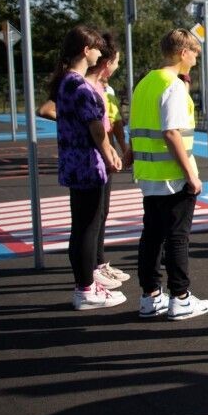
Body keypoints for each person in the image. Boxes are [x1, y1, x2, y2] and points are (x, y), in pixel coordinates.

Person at [130, 29, 208, 320]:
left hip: (148, 175)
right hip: (172, 175)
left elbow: (137, 128)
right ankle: (180, 297)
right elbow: (171, 132)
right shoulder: (173, 86)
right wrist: (191, 174)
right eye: (194, 52)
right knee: (178, 236)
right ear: (182, 53)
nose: (197, 57)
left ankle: (150, 296)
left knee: (151, 235)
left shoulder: (145, 83)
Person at [48, 25, 126, 310]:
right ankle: (86, 288)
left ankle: (85, 284)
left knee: (81, 226)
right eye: (96, 48)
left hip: (72, 161)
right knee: (88, 227)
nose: (100, 53)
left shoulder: (65, 82)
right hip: (87, 164)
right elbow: (96, 129)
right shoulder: (80, 86)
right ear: (86, 50)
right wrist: (110, 155)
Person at [84, 32, 132, 286]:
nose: (118, 66)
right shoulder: (84, 85)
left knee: (101, 213)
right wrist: (111, 149)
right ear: (108, 61)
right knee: (89, 219)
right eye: (117, 62)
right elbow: (98, 126)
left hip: (104, 157)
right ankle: (89, 275)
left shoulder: (105, 88)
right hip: (93, 158)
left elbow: (114, 122)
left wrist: (120, 148)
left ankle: (98, 264)